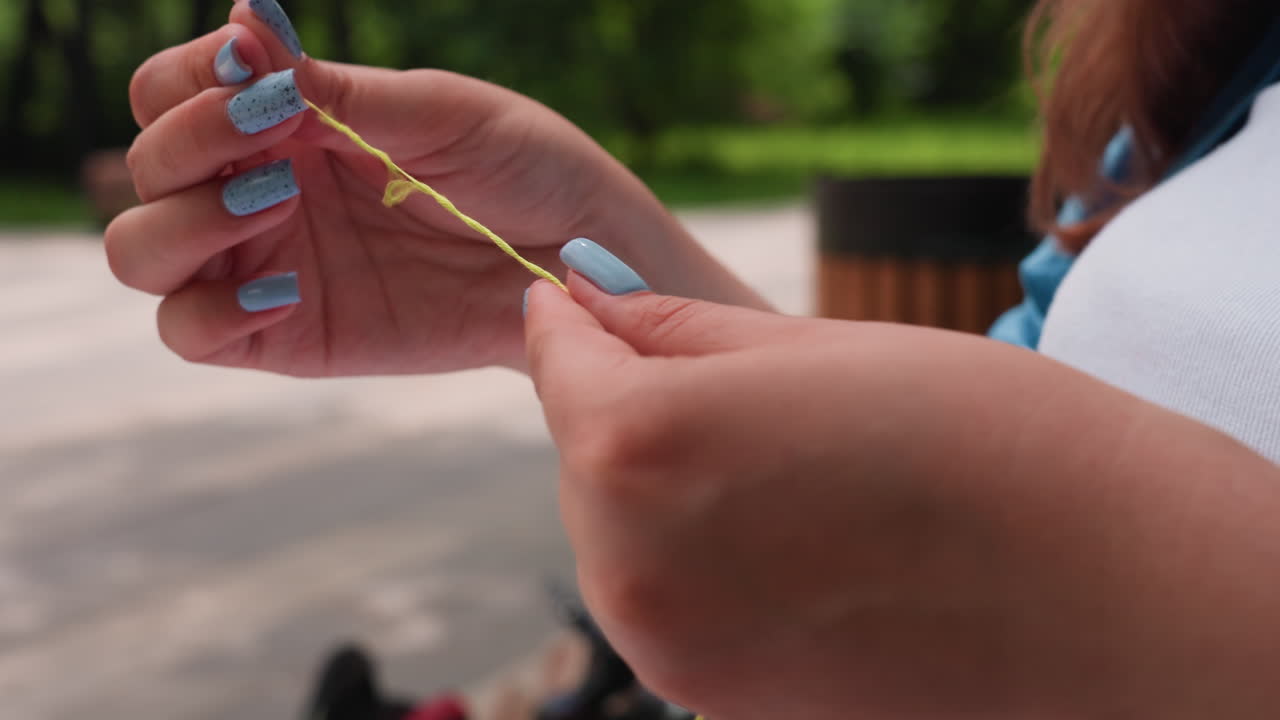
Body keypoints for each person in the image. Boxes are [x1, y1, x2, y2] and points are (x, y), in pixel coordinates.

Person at [110, 0, 1280, 717]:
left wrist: (1130, 580)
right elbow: (1008, 411)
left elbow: (1019, 489)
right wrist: (571, 260)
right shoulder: (1210, 76)